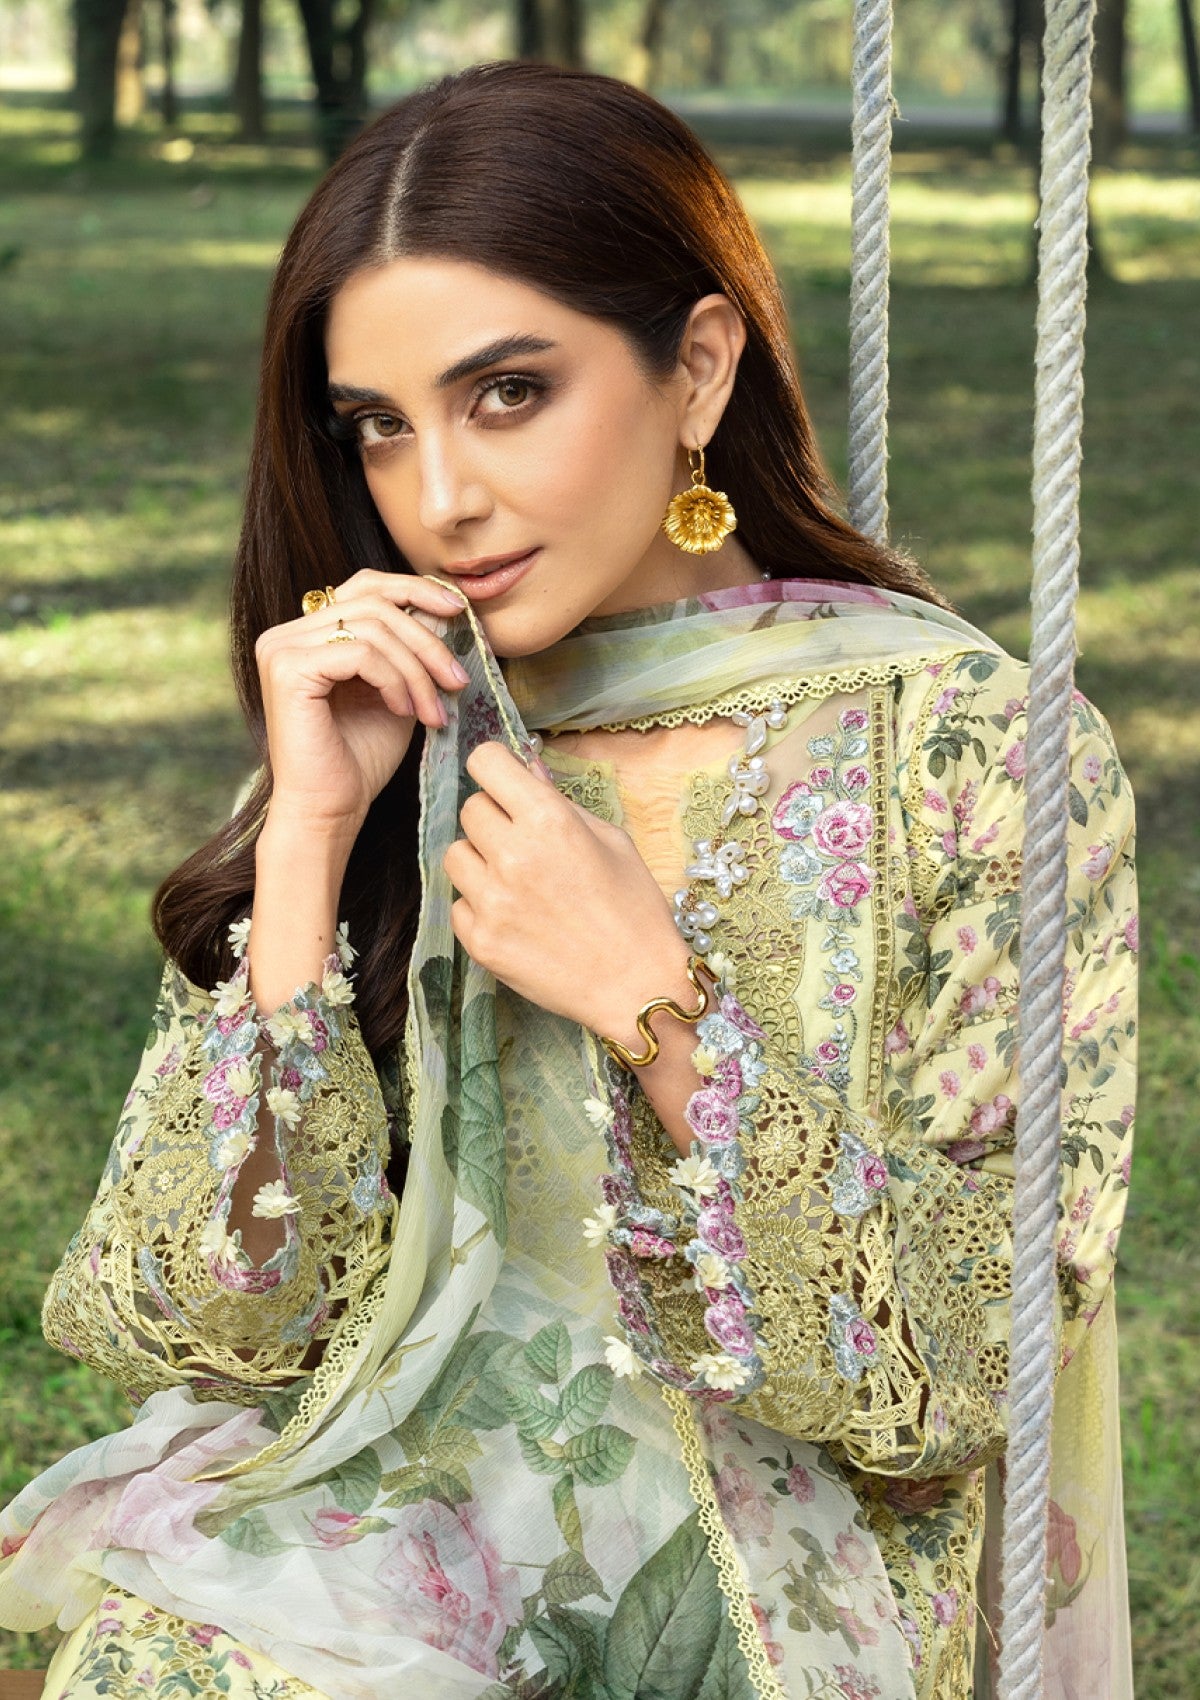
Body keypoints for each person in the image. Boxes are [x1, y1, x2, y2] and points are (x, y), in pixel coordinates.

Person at [0, 60, 1137, 1700]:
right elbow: (214, 1327)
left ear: (698, 367)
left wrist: (650, 1001)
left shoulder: (972, 757)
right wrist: (307, 838)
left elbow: (978, 1371)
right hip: (399, 1507)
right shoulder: (402, 723)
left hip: (781, 1564)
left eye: (509, 392)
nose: (439, 499)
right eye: (380, 426)